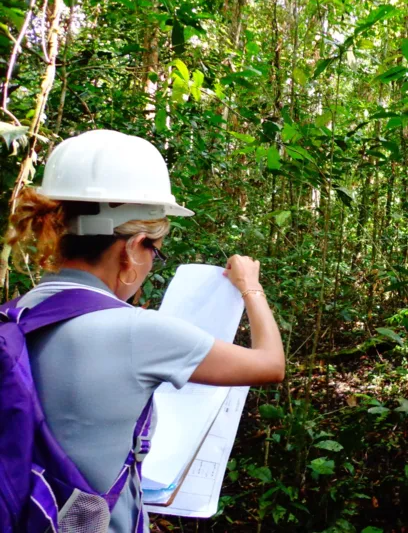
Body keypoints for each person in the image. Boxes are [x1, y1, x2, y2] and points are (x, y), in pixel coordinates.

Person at [2, 130, 284, 533]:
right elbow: (270, 364)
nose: (151, 260)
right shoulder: (136, 332)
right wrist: (250, 287)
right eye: (154, 250)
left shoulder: (15, 312)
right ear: (133, 247)